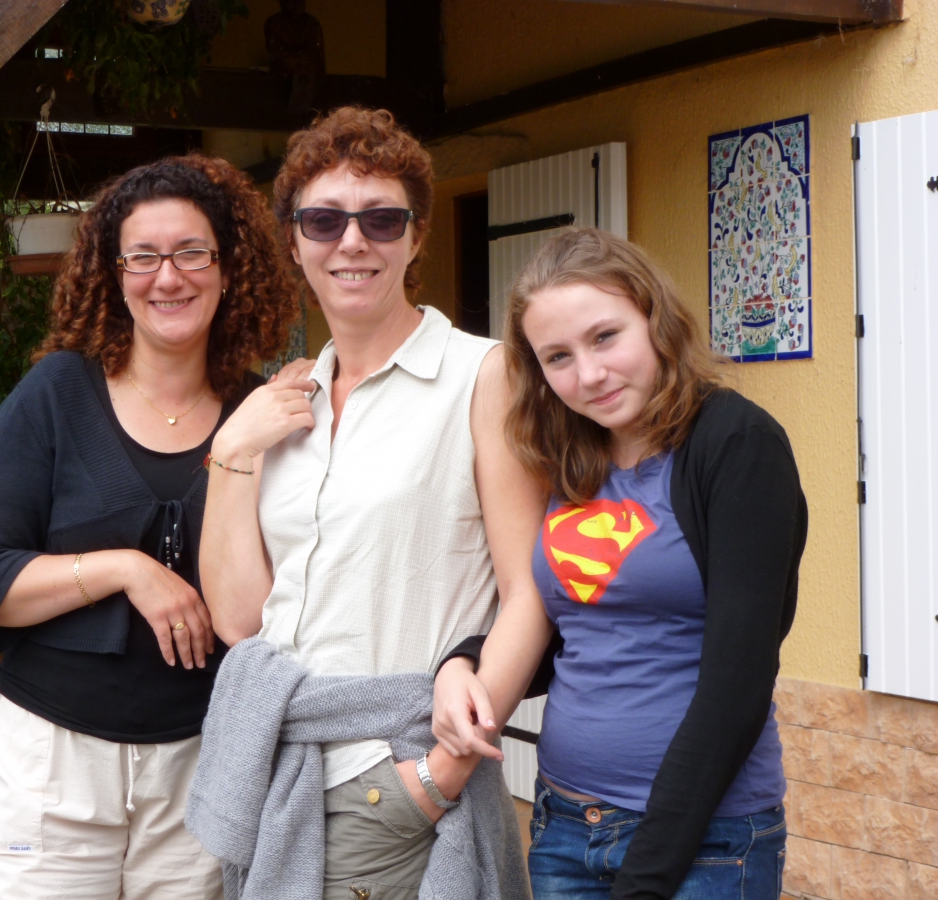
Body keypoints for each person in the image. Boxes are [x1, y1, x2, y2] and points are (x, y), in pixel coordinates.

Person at [186, 106, 545, 900]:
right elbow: (242, 622)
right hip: (280, 774)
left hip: (394, 775)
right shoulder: (286, 403)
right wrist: (232, 452)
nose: (352, 241)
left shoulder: (481, 376)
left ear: (416, 237)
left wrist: (440, 777)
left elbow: (529, 592)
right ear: (293, 242)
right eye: (324, 220)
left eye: (381, 219)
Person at [0, 154, 298, 899]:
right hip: (52, 764)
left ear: (229, 268)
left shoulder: (259, 416)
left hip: (200, 767)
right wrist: (127, 570)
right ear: (114, 272)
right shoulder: (57, 394)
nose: (167, 278)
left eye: (191, 253)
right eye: (143, 256)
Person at [431, 228, 807, 899]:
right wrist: (461, 662)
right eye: (558, 357)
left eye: (605, 337)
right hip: (566, 826)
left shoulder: (737, 443)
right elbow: (574, 629)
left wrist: (648, 876)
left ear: (654, 318)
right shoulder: (575, 457)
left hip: (703, 846)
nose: (589, 374)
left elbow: (739, 684)